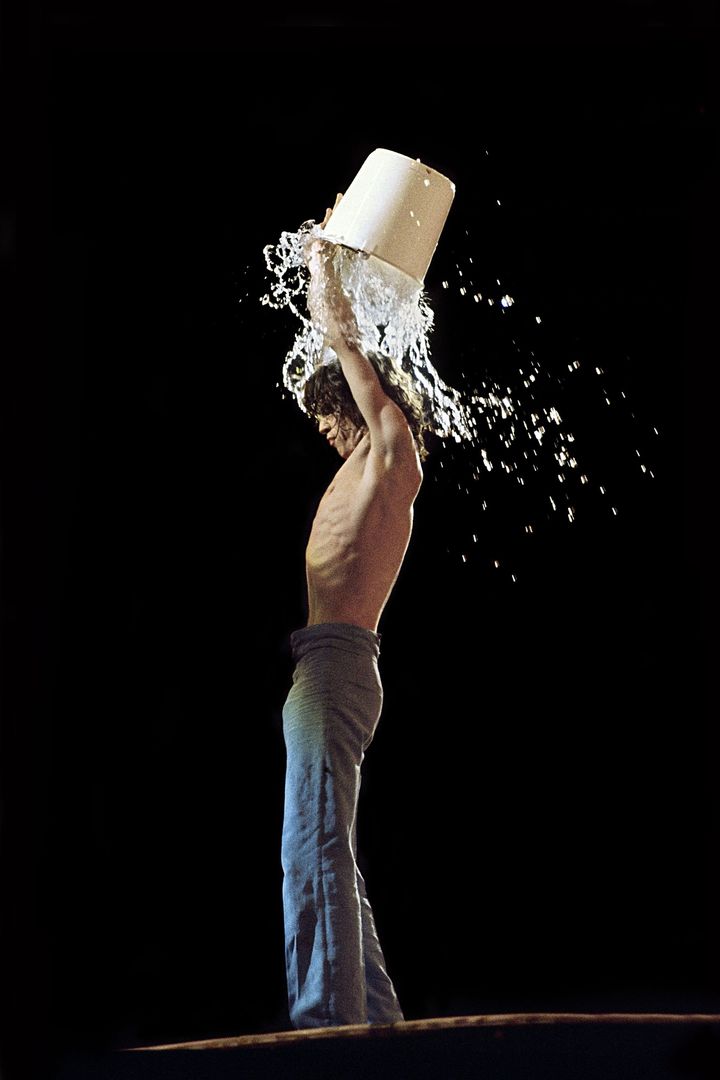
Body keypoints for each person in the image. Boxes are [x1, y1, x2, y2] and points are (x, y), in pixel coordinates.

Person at [280, 196, 432, 1029]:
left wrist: (324, 263)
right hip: (326, 665)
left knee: (312, 849)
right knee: (326, 845)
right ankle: (375, 1021)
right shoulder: (364, 464)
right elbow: (332, 346)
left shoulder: (389, 453)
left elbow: (346, 346)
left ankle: (327, 1029)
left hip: (337, 662)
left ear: (359, 405)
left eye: (330, 417)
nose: (327, 435)